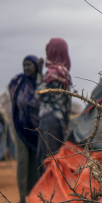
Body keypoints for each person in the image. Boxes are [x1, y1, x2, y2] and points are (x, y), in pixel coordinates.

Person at [8, 55, 41, 203]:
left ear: (35, 66)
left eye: (29, 65)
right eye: (24, 65)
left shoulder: (41, 82)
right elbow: (11, 92)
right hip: (20, 128)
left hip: (36, 131)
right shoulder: (19, 81)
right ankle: (22, 198)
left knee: (35, 164)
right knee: (22, 162)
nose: (26, 68)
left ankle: (34, 199)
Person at [36, 38, 72, 169]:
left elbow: (40, 95)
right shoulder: (64, 73)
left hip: (48, 121)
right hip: (59, 122)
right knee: (55, 160)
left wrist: (39, 74)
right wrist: (66, 124)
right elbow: (67, 104)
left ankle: (48, 190)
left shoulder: (52, 73)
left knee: (47, 162)